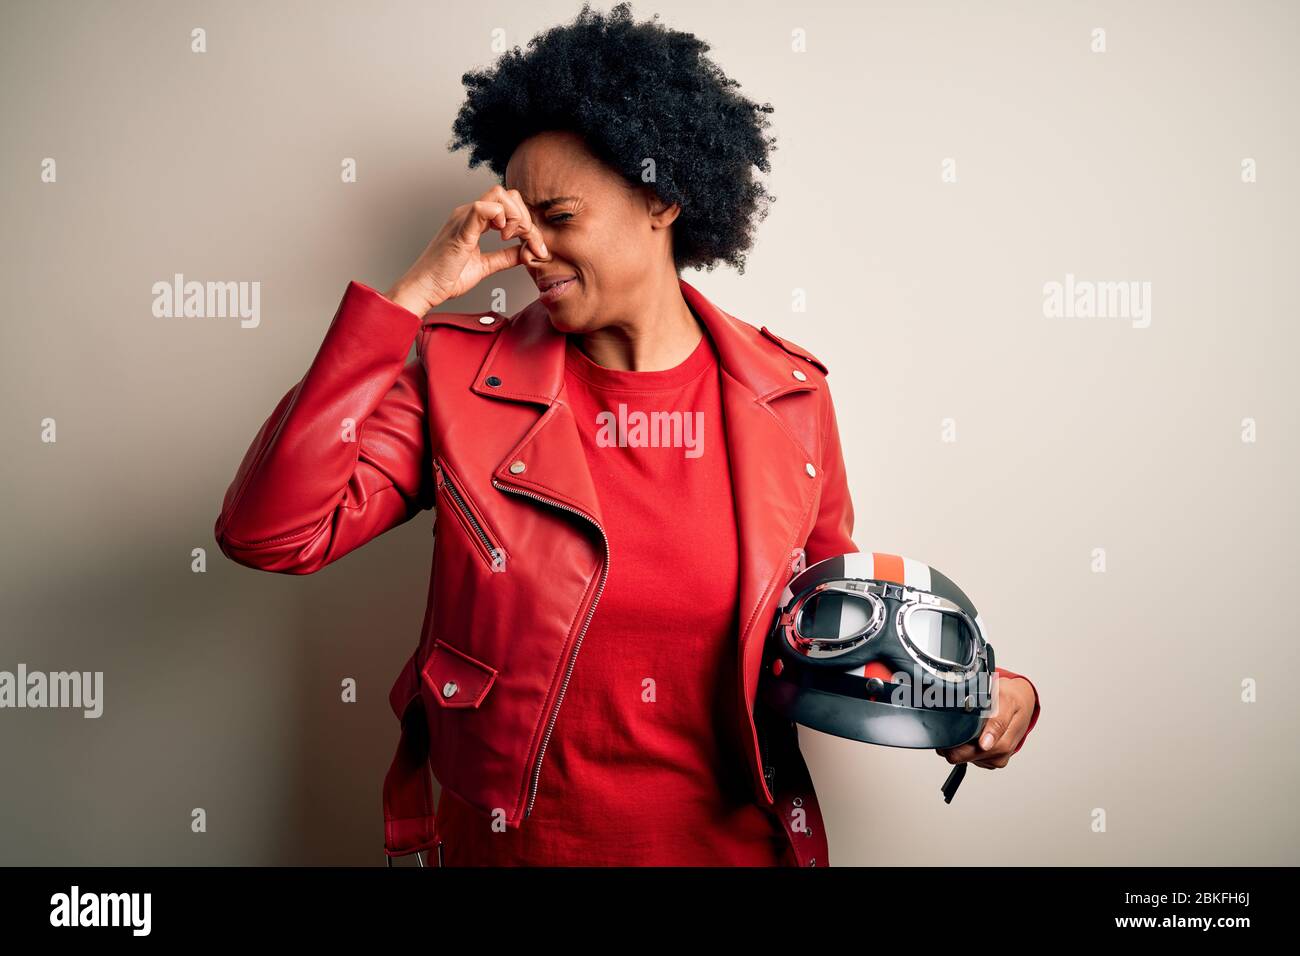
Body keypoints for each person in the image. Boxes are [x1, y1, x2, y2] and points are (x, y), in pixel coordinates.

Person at [214, 2, 1040, 867]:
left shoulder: (789, 396)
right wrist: (409, 300)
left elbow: (828, 618)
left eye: (560, 215)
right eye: (518, 220)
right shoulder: (455, 381)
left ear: (662, 199)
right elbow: (271, 532)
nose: (531, 249)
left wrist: (978, 691)